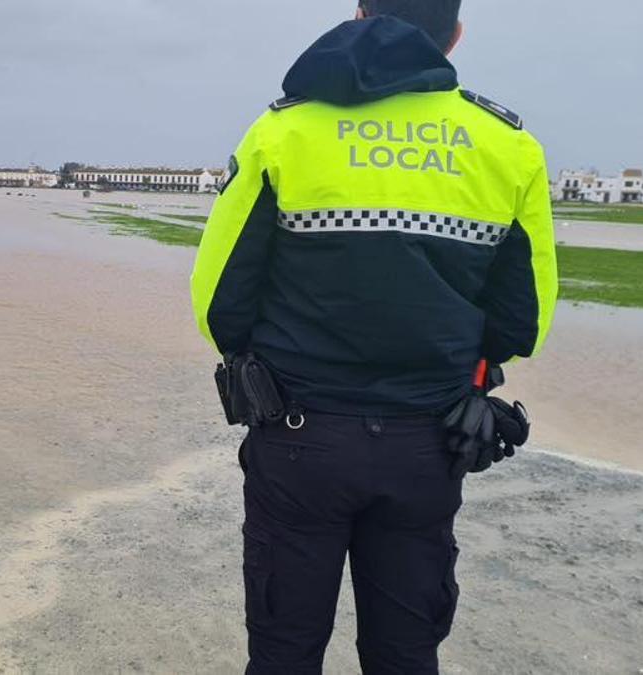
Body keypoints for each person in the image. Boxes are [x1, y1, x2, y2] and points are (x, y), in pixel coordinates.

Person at [190, 1, 558, 673]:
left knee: (282, 653)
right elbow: (523, 320)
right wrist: (474, 369)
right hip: (431, 440)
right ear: (455, 35)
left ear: (359, 15)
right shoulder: (507, 146)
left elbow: (219, 300)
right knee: (405, 654)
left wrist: (259, 361)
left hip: (300, 436)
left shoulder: (284, 132)